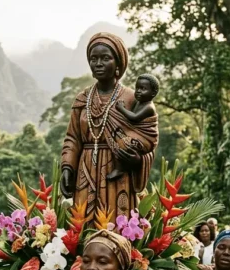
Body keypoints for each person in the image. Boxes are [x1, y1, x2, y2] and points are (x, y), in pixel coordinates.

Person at [60, 33, 158, 222]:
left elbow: (148, 137)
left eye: (105, 58)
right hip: (85, 171)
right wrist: (68, 167)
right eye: (93, 59)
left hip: (118, 172)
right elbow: (72, 138)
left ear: (118, 64)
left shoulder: (132, 99)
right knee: (83, 228)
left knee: (116, 227)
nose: (98, 63)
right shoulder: (82, 99)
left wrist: (137, 159)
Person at [110, 73, 160, 180]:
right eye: (137, 88)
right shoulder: (138, 102)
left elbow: (134, 118)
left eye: (143, 89)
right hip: (137, 133)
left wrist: (121, 109)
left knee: (126, 143)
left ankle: (120, 169)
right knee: (118, 136)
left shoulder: (149, 107)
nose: (138, 91)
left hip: (146, 137)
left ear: (153, 93)